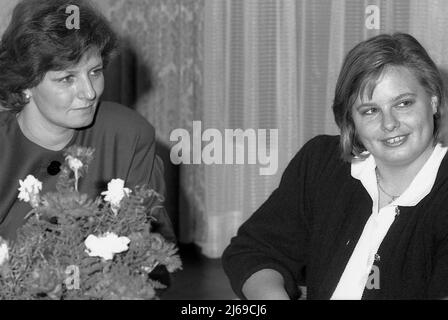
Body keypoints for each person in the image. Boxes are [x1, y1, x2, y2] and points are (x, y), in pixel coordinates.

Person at [222, 33, 448, 299]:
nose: (390, 123)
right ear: (350, 120)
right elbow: (254, 250)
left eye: (403, 103)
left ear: (433, 100)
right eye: (370, 110)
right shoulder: (322, 164)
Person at [0, 0, 175, 244]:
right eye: (66, 78)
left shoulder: (128, 136)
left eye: (95, 72)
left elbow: (155, 247)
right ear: (26, 83)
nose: (89, 92)